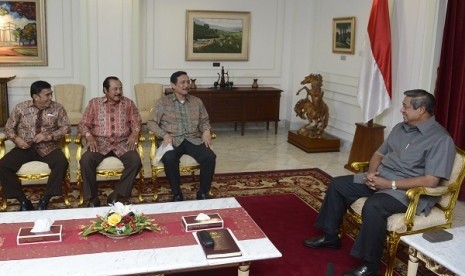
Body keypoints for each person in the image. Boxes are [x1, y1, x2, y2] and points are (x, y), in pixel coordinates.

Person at [303, 89, 456, 276]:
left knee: (374, 206)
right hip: (381, 179)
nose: (402, 110)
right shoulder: (400, 127)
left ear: (421, 110)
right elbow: (379, 154)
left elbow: (431, 180)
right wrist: (371, 174)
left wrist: (389, 184)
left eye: (405, 106)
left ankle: (370, 265)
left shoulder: (440, 139)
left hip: (406, 192)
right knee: (338, 184)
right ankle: (330, 236)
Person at [0, 80, 70, 211]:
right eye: (47, 95)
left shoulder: (58, 108)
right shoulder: (21, 108)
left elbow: (66, 128)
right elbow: (8, 128)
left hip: (48, 147)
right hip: (24, 147)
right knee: (3, 165)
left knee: (62, 162)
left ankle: (45, 199)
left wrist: (48, 136)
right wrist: (17, 139)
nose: (51, 97)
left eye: (51, 94)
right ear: (35, 96)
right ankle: (23, 200)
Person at [147, 71, 216, 201]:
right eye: (182, 82)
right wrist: (164, 134)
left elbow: (204, 120)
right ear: (173, 85)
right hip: (173, 140)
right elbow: (151, 123)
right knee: (169, 158)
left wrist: (206, 130)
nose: (186, 85)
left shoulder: (196, 101)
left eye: (188, 82)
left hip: (193, 139)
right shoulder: (162, 102)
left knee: (209, 156)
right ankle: (177, 193)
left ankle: (203, 192)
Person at [78, 76, 142, 207]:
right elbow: (83, 124)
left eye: (120, 88)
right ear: (105, 90)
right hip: (100, 143)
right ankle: (91, 198)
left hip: (123, 143)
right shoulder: (94, 104)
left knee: (135, 161)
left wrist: (135, 133)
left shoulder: (128, 103)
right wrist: (89, 136)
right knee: (86, 160)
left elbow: (137, 121)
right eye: (115, 89)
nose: (119, 92)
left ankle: (118, 194)